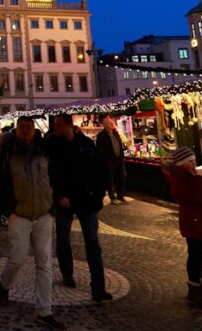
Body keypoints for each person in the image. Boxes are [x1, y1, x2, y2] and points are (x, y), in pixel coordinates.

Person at [0, 116, 66, 330]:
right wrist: (8, 209)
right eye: (22, 127)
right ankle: (5, 285)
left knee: (44, 263)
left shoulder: (44, 150)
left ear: (34, 130)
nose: (25, 130)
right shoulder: (7, 153)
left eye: (29, 127)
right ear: (16, 130)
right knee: (17, 258)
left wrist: (52, 204)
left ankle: (44, 311)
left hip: (43, 213)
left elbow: (54, 175)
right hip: (20, 214)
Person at [47, 115, 112, 302]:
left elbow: (102, 170)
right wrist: (59, 196)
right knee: (62, 241)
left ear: (69, 125)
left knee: (93, 244)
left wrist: (98, 195)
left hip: (87, 201)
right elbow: (52, 175)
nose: (55, 128)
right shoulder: (55, 146)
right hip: (64, 202)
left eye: (58, 125)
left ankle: (98, 288)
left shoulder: (87, 145)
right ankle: (67, 273)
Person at [162, 147, 202, 310]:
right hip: (193, 221)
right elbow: (193, 197)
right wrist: (199, 179)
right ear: (182, 164)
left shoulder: (186, 176)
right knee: (195, 255)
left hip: (198, 219)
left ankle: (200, 286)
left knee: (199, 254)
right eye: (190, 162)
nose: (194, 164)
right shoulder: (180, 178)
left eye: (195, 161)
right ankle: (195, 291)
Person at [96, 116, 127, 204]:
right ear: (106, 125)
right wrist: (105, 160)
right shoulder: (101, 135)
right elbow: (100, 150)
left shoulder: (116, 133)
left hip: (119, 159)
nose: (113, 124)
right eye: (110, 123)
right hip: (109, 160)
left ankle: (121, 195)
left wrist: (122, 155)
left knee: (122, 176)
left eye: (112, 122)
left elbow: (119, 144)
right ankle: (112, 197)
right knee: (110, 179)